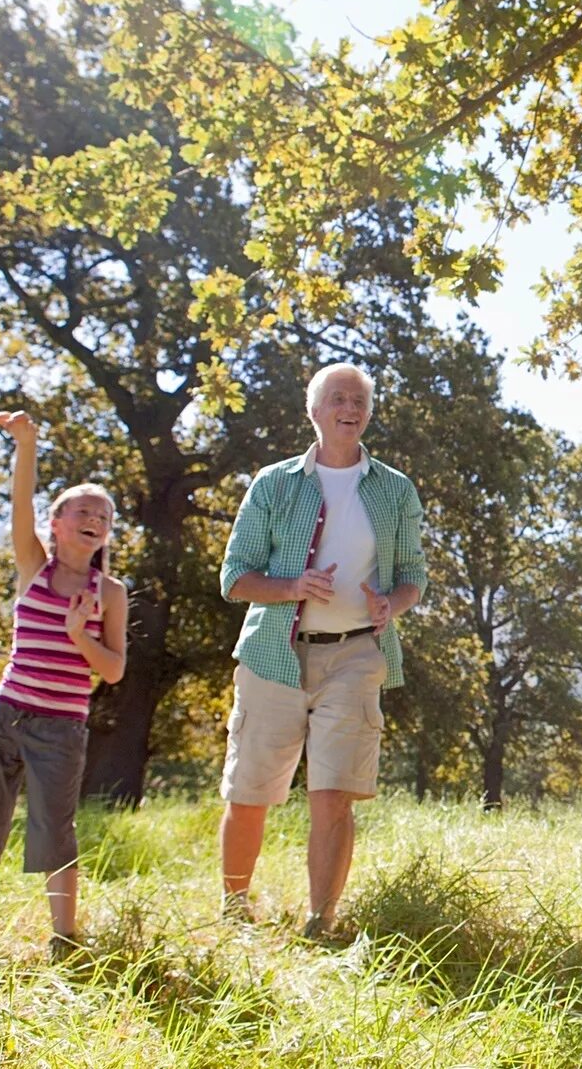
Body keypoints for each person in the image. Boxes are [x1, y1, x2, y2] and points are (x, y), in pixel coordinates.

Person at [216, 362, 426, 937]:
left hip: (357, 655)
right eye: (337, 397)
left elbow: (413, 576)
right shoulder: (274, 482)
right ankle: (235, 912)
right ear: (314, 411)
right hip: (273, 655)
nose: (349, 407)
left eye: (359, 400)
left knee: (333, 794)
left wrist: (393, 604)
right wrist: (292, 588)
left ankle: (320, 921)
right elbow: (234, 576)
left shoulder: (394, 489)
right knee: (251, 790)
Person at [0, 410, 128, 960]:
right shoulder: (34, 567)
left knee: (55, 827)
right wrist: (26, 443)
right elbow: (20, 503)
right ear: (57, 523)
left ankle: (64, 937)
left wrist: (80, 635)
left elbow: (114, 670)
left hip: (61, 727)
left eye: (104, 516)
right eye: (83, 511)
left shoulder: (112, 592)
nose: (94, 519)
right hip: (8, 715)